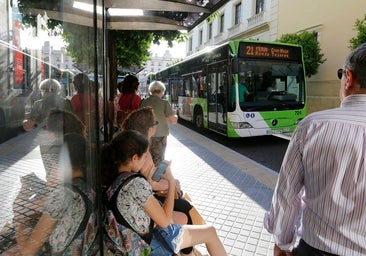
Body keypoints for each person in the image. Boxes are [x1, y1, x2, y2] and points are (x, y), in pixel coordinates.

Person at [264, 43, 366, 256]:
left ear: (348, 78)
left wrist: (281, 243)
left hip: (316, 250)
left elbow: (287, 194)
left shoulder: (312, 126)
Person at [101, 130, 227, 255]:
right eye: (145, 156)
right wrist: (171, 182)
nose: (147, 159)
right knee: (210, 232)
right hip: (148, 247)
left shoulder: (115, 180)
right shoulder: (135, 183)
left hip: (133, 246)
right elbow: (165, 221)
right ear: (134, 158)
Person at [122, 107, 196, 254]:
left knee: (183, 205)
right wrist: (170, 183)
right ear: (150, 128)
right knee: (184, 209)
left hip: (141, 205)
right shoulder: (141, 150)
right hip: (143, 213)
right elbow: (148, 183)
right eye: (155, 122)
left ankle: (185, 248)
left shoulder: (132, 145)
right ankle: (184, 249)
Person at [15, 133, 97, 255]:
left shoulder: (62, 194)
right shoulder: (87, 187)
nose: (48, 172)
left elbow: (27, 252)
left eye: (53, 164)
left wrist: (18, 216)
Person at [139, 80, 178, 166]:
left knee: (147, 157)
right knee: (159, 158)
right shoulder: (164, 103)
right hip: (160, 135)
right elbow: (173, 121)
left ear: (151, 91)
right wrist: (175, 114)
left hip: (146, 134)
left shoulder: (143, 102)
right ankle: (156, 177)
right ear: (162, 91)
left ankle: (148, 176)